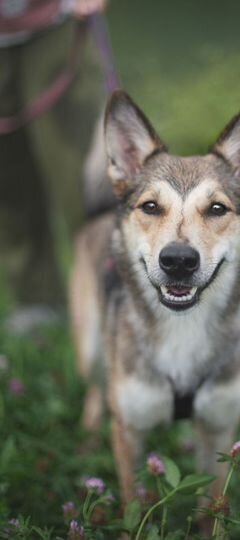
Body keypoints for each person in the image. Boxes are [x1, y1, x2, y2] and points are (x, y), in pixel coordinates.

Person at [0, 0, 107, 331]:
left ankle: (113, 292)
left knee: (86, 176)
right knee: (7, 183)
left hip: (56, 23)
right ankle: (38, 302)